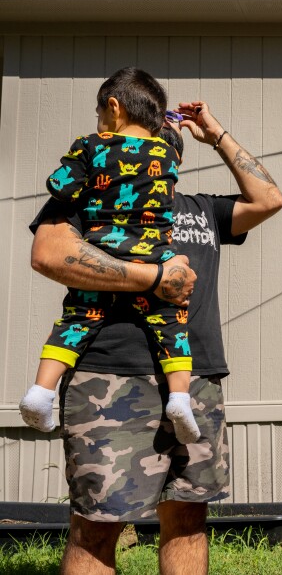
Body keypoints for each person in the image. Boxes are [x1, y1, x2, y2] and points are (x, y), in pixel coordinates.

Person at [29, 100, 282, 575]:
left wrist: (218, 135)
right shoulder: (95, 195)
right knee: (98, 523)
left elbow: (269, 199)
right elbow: (47, 254)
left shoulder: (202, 209)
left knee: (188, 517)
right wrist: (151, 277)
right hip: (109, 377)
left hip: (196, 379)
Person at [21, 67, 199, 444]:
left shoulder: (92, 145)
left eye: (100, 113)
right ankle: (180, 398)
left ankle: (41, 392)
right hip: (155, 260)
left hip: (102, 254)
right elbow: (171, 150)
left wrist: (76, 173)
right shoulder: (166, 153)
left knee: (76, 320)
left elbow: (61, 186)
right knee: (172, 321)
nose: (99, 122)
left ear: (114, 107)